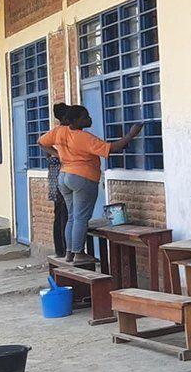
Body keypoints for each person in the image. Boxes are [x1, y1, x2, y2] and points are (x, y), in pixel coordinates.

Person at [39, 106, 143, 263]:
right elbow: (113, 148)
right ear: (74, 121)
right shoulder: (84, 138)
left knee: (72, 217)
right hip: (82, 177)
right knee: (81, 217)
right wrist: (131, 134)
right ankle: (79, 253)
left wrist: (58, 154)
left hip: (64, 176)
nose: (89, 119)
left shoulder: (59, 131)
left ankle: (69, 254)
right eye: (85, 117)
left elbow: (40, 142)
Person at [44, 103, 71, 257]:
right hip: (58, 172)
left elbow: (45, 150)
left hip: (55, 173)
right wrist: (59, 154)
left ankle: (61, 250)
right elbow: (43, 146)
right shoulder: (59, 132)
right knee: (63, 212)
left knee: (61, 213)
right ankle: (64, 249)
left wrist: (55, 153)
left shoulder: (56, 132)